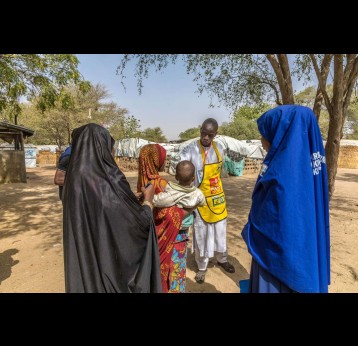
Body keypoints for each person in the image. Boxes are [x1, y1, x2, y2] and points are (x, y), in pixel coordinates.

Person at [62, 123, 162, 293]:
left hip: (86, 268)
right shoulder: (111, 180)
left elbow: (104, 207)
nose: (113, 153)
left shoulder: (72, 181)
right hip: (110, 273)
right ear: (103, 148)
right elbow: (137, 226)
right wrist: (148, 202)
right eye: (110, 147)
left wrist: (127, 199)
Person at [241, 105, 330, 293]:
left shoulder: (281, 173)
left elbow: (270, 224)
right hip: (306, 251)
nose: (261, 139)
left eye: (266, 132)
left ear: (281, 133)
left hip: (276, 264)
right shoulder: (307, 166)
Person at [178, 118, 235, 284]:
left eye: (210, 135)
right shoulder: (190, 149)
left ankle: (222, 259)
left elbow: (221, 171)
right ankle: (202, 267)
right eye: (204, 133)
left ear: (215, 134)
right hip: (200, 198)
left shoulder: (220, 148)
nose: (206, 138)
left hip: (217, 197)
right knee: (202, 233)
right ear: (200, 130)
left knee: (220, 231)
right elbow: (182, 168)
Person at [137, 144, 192, 293]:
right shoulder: (161, 184)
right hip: (172, 239)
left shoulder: (141, 183)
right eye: (163, 157)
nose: (164, 159)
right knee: (173, 279)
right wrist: (191, 209)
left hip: (150, 241)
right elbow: (171, 214)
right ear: (155, 160)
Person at [153, 160, 206, 235]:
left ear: (176, 177)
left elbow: (158, 201)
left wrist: (150, 196)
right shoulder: (198, 193)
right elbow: (202, 202)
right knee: (183, 241)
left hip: (175, 224)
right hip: (187, 224)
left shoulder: (172, 192)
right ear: (193, 178)